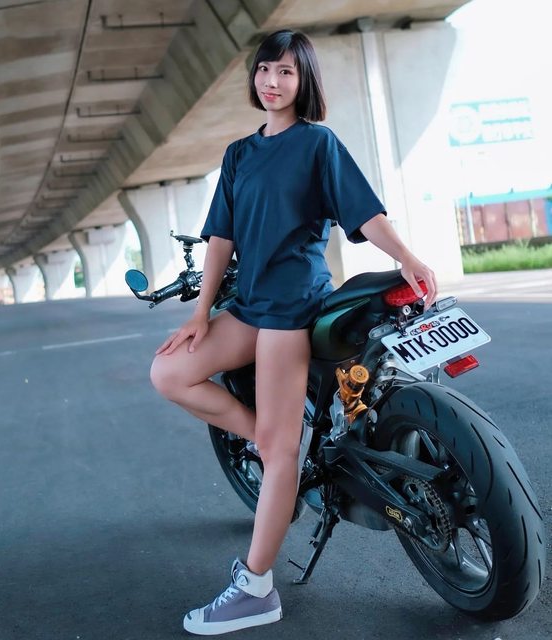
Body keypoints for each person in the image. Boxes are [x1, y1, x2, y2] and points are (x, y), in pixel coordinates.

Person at [150, 29, 437, 636]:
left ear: (303, 81)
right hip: (249, 305)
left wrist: (407, 256)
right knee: (170, 372)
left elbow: (363, 212)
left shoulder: (316, 143)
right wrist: (200, 314)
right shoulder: (239, 154)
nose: (271, 81)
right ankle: (266, 438)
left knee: (281, 452)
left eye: (285, 71)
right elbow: (221, 238)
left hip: (293, 306)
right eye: (264, 70)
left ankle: (255, 588)